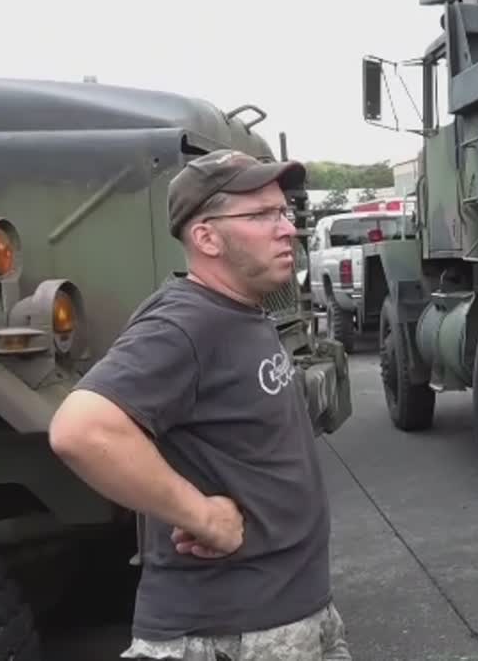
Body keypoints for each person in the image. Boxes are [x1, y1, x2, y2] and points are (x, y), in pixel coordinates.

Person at [48, 149, 351, 660]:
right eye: (262, 215)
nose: (287, 230)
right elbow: (81, 429)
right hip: (234, 633)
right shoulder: (185, 323)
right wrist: (203, 516)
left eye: (283, 212)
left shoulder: (240, 309)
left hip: (287, 612)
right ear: (207, 238)